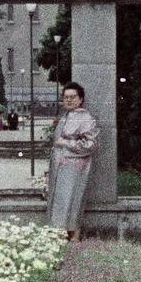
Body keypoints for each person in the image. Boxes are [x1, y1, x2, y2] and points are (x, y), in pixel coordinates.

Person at [46, 81, 98, 241]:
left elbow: (91, 145)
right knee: (59, 202)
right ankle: (58, 236)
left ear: (81, 99)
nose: (68, 100)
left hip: (74, 169)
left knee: (72, 202)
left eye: (72, 97)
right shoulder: (65, 117)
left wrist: (66, 143)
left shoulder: (85, 118)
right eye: (66, 97)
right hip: (59, 168)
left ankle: (74, 237)